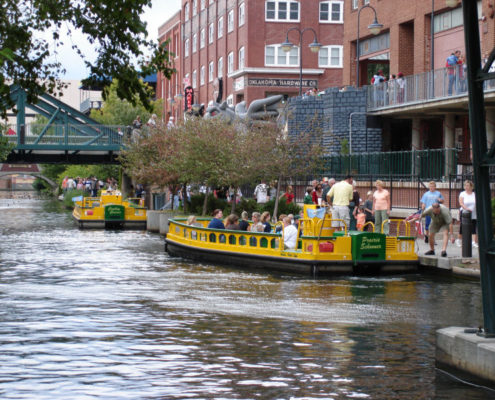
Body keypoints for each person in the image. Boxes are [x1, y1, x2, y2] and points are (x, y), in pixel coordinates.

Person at [456, 180, 478, 248]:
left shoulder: (474, 194)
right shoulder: (462, 194)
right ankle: (459, 239)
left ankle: (474, 241)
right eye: (465, 185)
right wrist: (466, 208)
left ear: (471, 186)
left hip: (473, 212)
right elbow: (461, 203)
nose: (466, 187)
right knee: (463, 227)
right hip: (465, 212)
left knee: (473, 226)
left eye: (468, 185)